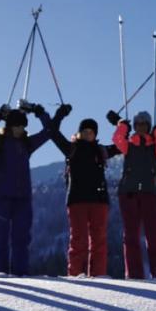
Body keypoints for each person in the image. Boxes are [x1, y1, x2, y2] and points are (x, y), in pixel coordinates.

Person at [0, 101, 58, 276]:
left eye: (23, 126)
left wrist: (39, 111)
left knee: (21, 239)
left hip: (22, 198)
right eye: (17, 126)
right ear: (9, 126)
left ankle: (20, 274)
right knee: (0, 239)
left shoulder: (27, 144)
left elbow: (49, 131)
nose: (21, 129)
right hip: (1, 196)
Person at [47, 111, 117, 278]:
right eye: (84, 131)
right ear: (78, 133)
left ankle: (98, 275)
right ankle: (75, 275)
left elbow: (122, 145)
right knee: (78, 239)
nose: (87, 134)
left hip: (98, 200)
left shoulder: (101, 151)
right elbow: (53, 132)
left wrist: (121, 125)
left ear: (95, 135)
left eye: (91, 132)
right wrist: (59, 114)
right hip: (77, 200)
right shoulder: (71, 148)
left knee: (99, 240)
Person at [107, 108, 156, 279]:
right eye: (137, 124)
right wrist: (122, 126)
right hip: (128, 193)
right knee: (131, 235)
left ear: (149, 125)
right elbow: (116, 139)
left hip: (150, 192)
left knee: (154, 235)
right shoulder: (128, 145)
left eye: (144, 124)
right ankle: (134, 273)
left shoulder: (155, 146)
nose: (141, 127)